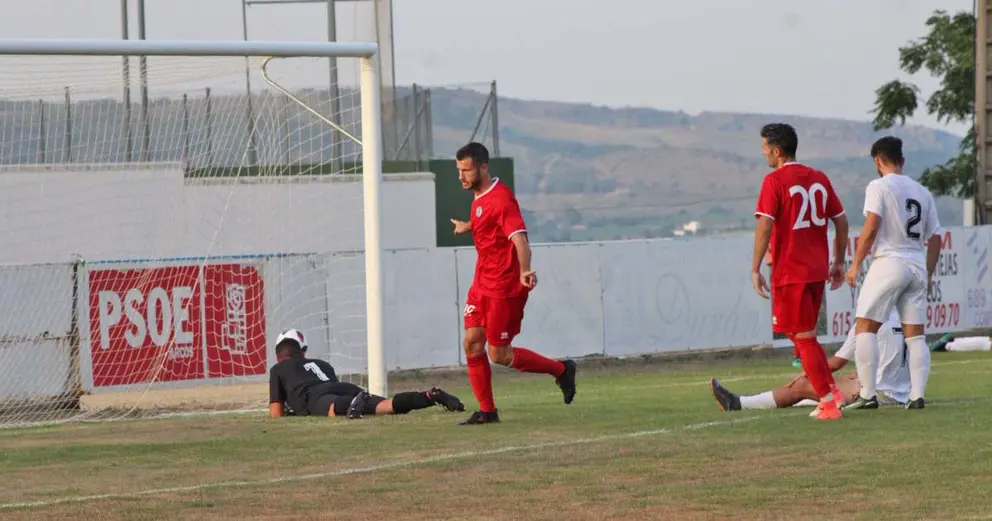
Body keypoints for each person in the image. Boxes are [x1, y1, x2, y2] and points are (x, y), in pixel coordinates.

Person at [450, 142, 578, 425]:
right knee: (472, 344)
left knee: (499, 354)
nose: (461, 176)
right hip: (481, 282)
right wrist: (468, 226)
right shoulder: (479, 196)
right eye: (459, 170)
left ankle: (561, 370)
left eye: (466, 170)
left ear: (483, 168)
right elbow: (488, 223)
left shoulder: (501, 199)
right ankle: (487, 412)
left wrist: (525, 270)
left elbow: (519, 238)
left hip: (503, 289)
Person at [750, 123, 850, 420]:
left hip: (791, 270)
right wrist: (839, 262)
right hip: (817, 268)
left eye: (765, 148)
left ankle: (829, 403)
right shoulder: (818, 178)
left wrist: (754, 268)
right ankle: (832, 393)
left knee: (802, 337)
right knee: (804, 335)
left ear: (777, 151)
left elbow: (765, 225)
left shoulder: (774, 181)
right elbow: (841, 221)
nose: (763, 153)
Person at [844, 136, 942, 410]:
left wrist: (855, 263)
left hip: (890, 261)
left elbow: (872, 225)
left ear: (877, 161)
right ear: (902, 160)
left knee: (865, 325)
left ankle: (867, 394)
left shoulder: (878, 185)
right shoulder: (923, 192)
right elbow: (935, 238)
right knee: (916, 334)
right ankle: (917, 395)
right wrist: (929, 273)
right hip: (917, 264)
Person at [710, 311, 910, 412]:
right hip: (902, 394)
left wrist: (809, 372)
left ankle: (738, 404)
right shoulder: (904, 317)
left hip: (878, 397)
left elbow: (834, 364)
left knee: (806, 384)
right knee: (836, 382)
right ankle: (809, 400)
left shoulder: (868, 320)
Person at [267, 329, 465, 419]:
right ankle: (429, 396)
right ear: (302, 351)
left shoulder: (277, 369)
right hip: (344, 388)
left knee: (335, 409)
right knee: (386, 405)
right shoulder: (321, 363)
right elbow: (333, 388)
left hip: (318, 396)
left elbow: (276, 414)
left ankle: (353, 405)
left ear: (278, 356)